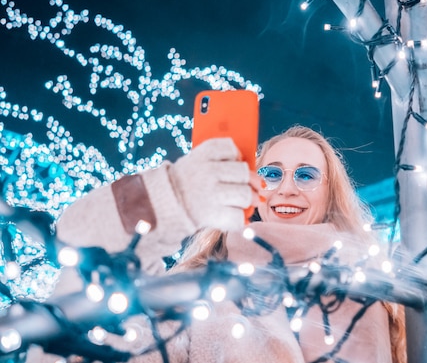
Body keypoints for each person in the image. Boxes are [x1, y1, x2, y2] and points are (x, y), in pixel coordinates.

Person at [26, 125, 406, 363]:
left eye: (305, 175)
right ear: (255, 188)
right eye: (271, 174)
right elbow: (100, 332)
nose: (286, 188)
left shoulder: (377, 283)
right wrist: (171, 194)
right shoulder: (202, 284)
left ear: (330, 193)